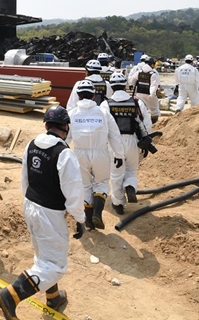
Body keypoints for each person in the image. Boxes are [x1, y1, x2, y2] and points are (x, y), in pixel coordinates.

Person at [0, 106, 86, 319]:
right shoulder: (64, 154)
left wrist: (31, 203)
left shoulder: (31, 145)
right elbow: (73, 191)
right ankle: (10, 296)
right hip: (49, 213)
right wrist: (79, 218)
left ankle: (53, 297)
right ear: (66, 127)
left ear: (46, 125)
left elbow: (25, 179)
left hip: (31, 205)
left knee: (44, 256)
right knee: (56, 265)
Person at [67, 80, 123, 230]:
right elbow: (115, 135)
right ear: (93, 95)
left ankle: (89, 219)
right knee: (102, 182)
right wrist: (119, 154)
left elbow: (65, 138)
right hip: (101, 153)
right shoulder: (104, 113)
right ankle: (97, 213)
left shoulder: (71, 114)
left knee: (84, 185)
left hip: (79, 153)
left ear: (78, 95)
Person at [102, 73, 152, 214]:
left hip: (113, 143)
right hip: (132, 141)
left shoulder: (106, 105)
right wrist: (145, 141)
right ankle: (130, 185)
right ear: (125, 86)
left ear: (111, 86)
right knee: (130, 169)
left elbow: (103, 127)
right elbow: (146, 124)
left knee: (116, 174)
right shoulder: (137, 103)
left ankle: (118, 203)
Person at [128, 55, 161, 123]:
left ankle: (141, 122)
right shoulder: (153, 73)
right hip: (149, 95)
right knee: (154, 110)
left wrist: (131, 85)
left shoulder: (139, 72)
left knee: (140, 109)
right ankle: (154, 123)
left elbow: (132, 79)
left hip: (139, 94)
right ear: (152, 64)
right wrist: (152, 94)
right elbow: (153, 85)